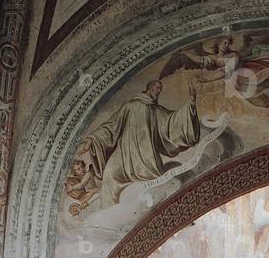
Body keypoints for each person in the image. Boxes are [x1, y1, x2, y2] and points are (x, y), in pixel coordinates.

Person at [77, 79, 200, 208]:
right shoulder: (130, 105)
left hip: (146, 158)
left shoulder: (156, 111)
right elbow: (112, 126)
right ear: (149, 87)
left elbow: (172, 123)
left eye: (160, 89)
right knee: (110, 175)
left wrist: (191, 104)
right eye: (157, 88)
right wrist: (92, 138)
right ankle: (108, 217)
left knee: (155, 183)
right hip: (123, 155)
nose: (158, 91)